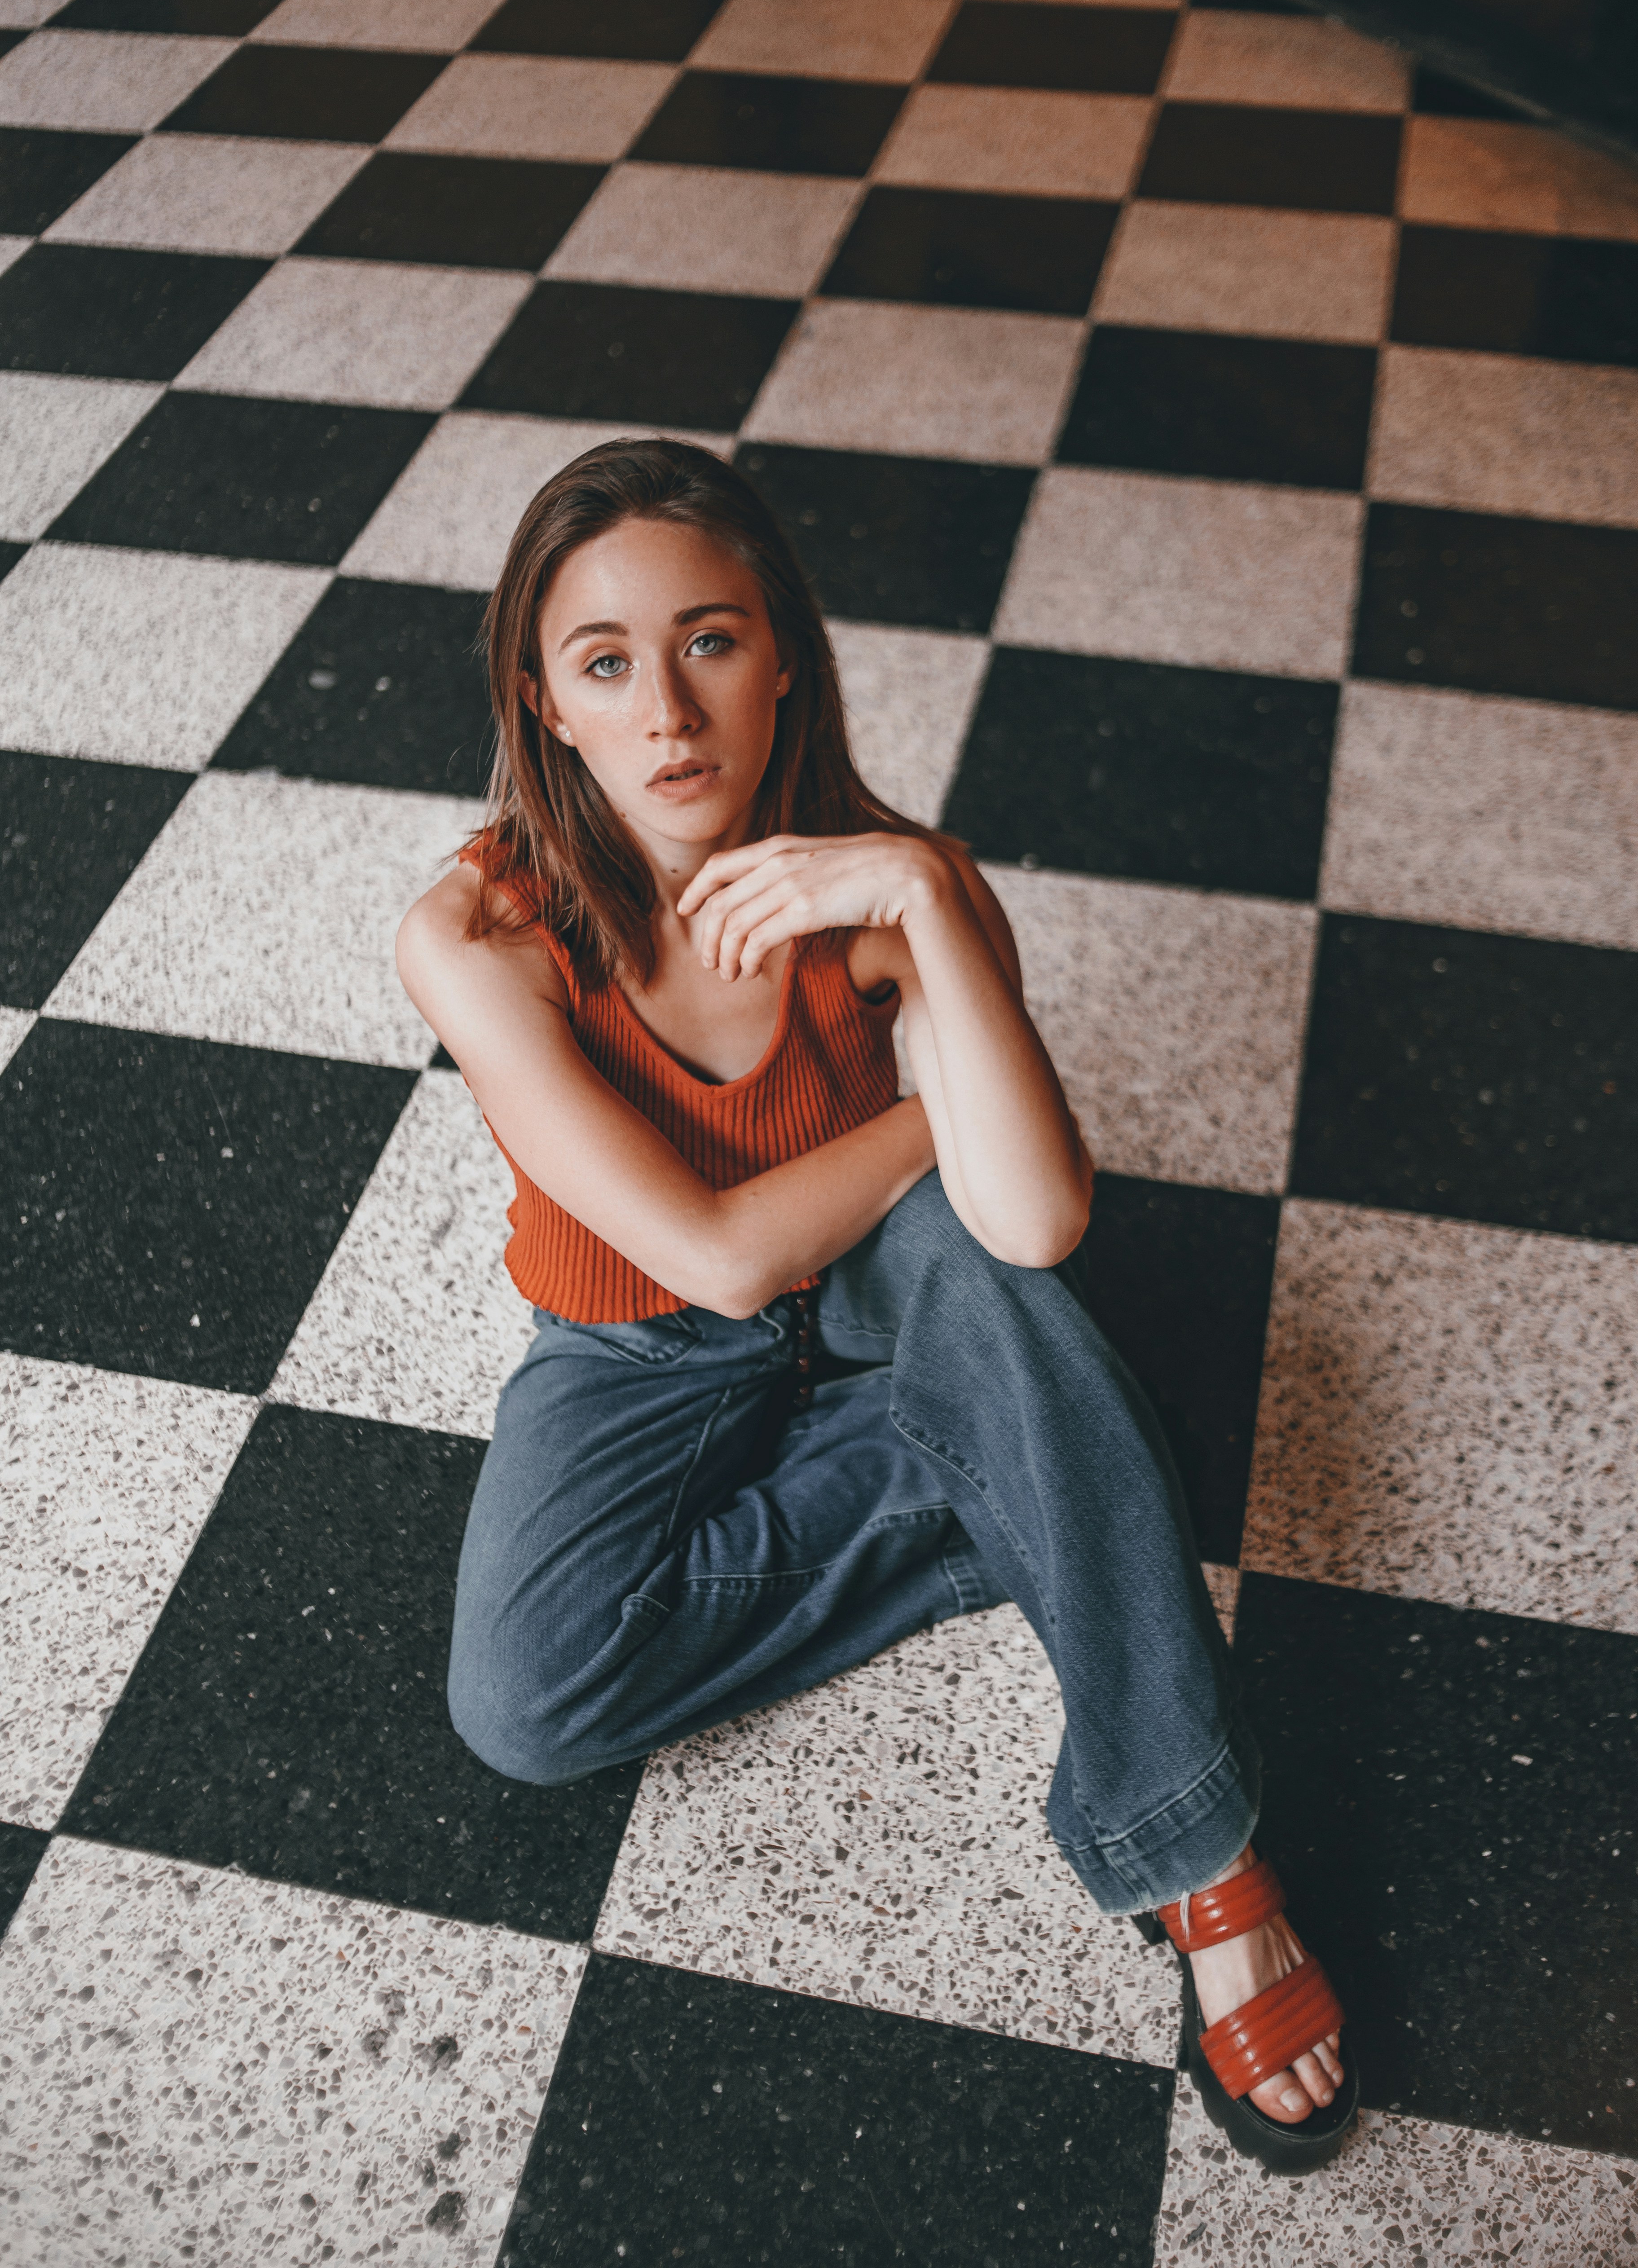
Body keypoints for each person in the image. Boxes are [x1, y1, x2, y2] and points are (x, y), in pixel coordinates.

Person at [396, 438, 1358, 2175]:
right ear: (543, 701)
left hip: (884, 1286)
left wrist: (919, 898)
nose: (668, 712)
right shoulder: (479, 934)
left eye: (711, 642)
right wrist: (928, 1123)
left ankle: (1202, 1857)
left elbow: (1042, 1212)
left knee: (992, 1277)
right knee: (525, 1701)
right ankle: (1039, 1481)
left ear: (785, 660)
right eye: (605, 663)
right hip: (631, 1335)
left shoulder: (887, 884)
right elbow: (714, 1256)